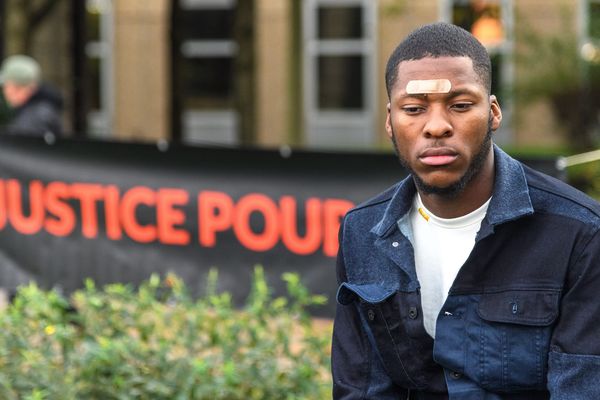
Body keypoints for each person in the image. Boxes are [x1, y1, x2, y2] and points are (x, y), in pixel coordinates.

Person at [331, 22, 600, 399]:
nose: (437, 126)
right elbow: (360, 388)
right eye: (414, 109)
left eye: (460, 106)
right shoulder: (363, 232)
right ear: (390, 122)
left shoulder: (581, 233)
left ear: (492, 113)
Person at [0, 54, 63, 138]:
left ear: (22, 88)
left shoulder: (35, 118)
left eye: (6, 87)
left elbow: (21, 147)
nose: (5, 92)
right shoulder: (40, 110)